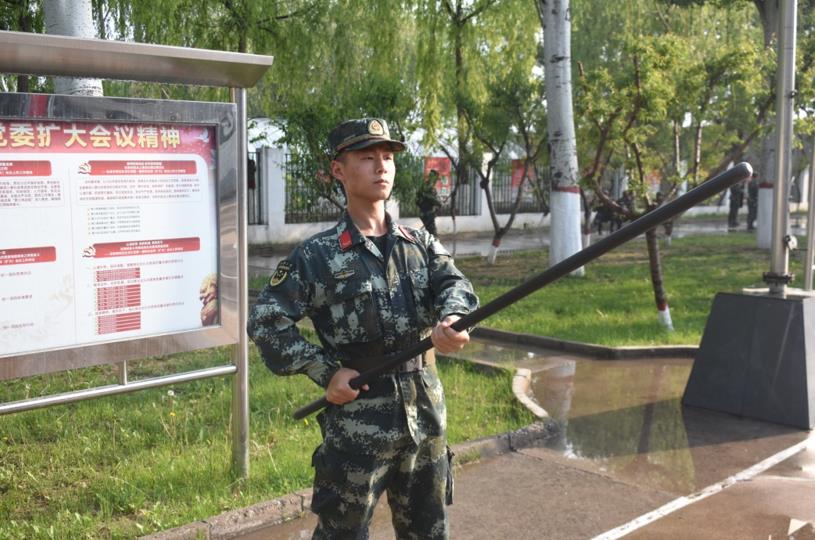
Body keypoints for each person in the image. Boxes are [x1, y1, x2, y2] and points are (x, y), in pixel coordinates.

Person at [247, 117, 479, 539]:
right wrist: (325, 372)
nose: (382, 167)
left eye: (388, 157)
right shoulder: (318, 256)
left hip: (425, 413)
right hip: (358, 424)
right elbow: (266, 321)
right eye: (367, 157)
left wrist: (452, 321)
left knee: (429, 531)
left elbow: (455, 285)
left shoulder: (420, 243)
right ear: (339, 170)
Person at [417, 169, 442, 235]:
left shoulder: (424, 185)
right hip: (427, 214)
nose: (436, 181)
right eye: (436, 179)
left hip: (424, 213)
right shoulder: (428, 186)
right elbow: (431, 198)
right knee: (433, 234)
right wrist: (439, 203)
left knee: (429, 232)